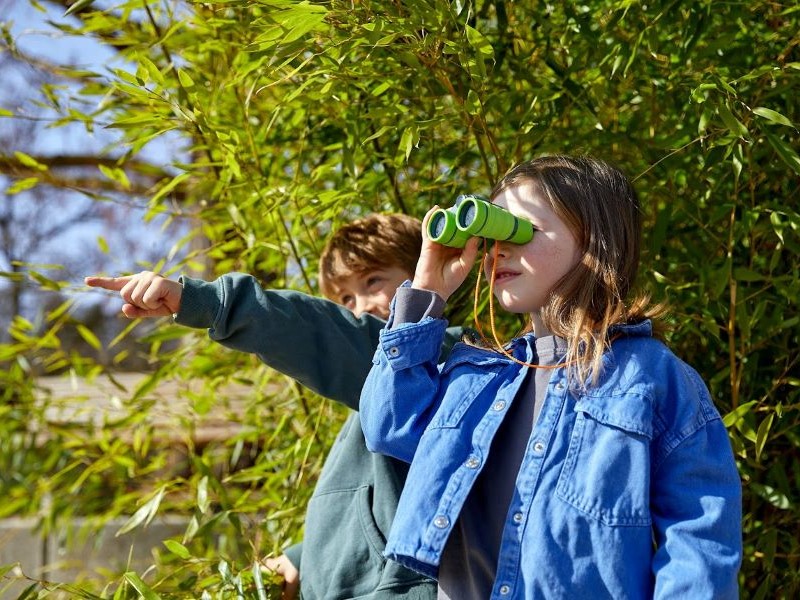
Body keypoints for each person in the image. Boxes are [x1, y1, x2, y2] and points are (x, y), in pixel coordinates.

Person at [358, 156, 743, 599]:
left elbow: (699, 544)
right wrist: (427, 290)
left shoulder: (651, 378)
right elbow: (389, 427)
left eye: (520, 230)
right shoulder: (478, 376)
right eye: (492, 234)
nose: (498, 249)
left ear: (594, 240)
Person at [86, 213, 463, 600]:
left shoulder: (441, 363)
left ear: (427, 272)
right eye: (345, 298)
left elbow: (319, 333)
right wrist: (302, 557)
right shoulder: (372, 391)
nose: (362, 306)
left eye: (373, 281)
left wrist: (208, 303)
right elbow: (376, 505)